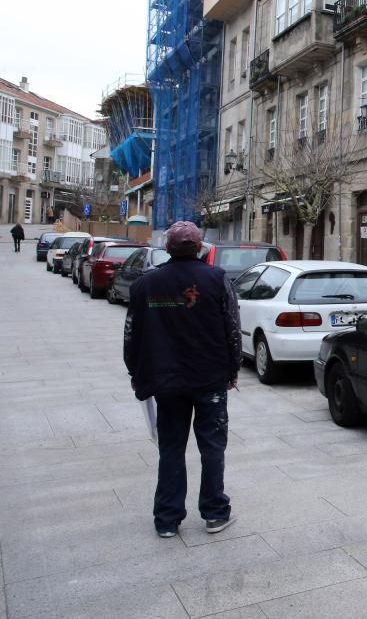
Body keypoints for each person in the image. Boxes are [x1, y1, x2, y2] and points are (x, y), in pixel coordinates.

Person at [123, 221, 242, 538]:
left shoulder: (146, 285)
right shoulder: (216, 280)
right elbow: (233, 327)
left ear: (168, 248)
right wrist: (232, 370)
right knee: (212, 447)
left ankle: (167, 518)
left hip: (167, 381)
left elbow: (131, 336)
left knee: (171, 448)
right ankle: (215, 513)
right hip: (210, 379)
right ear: (200, 247)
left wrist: (135, 373)